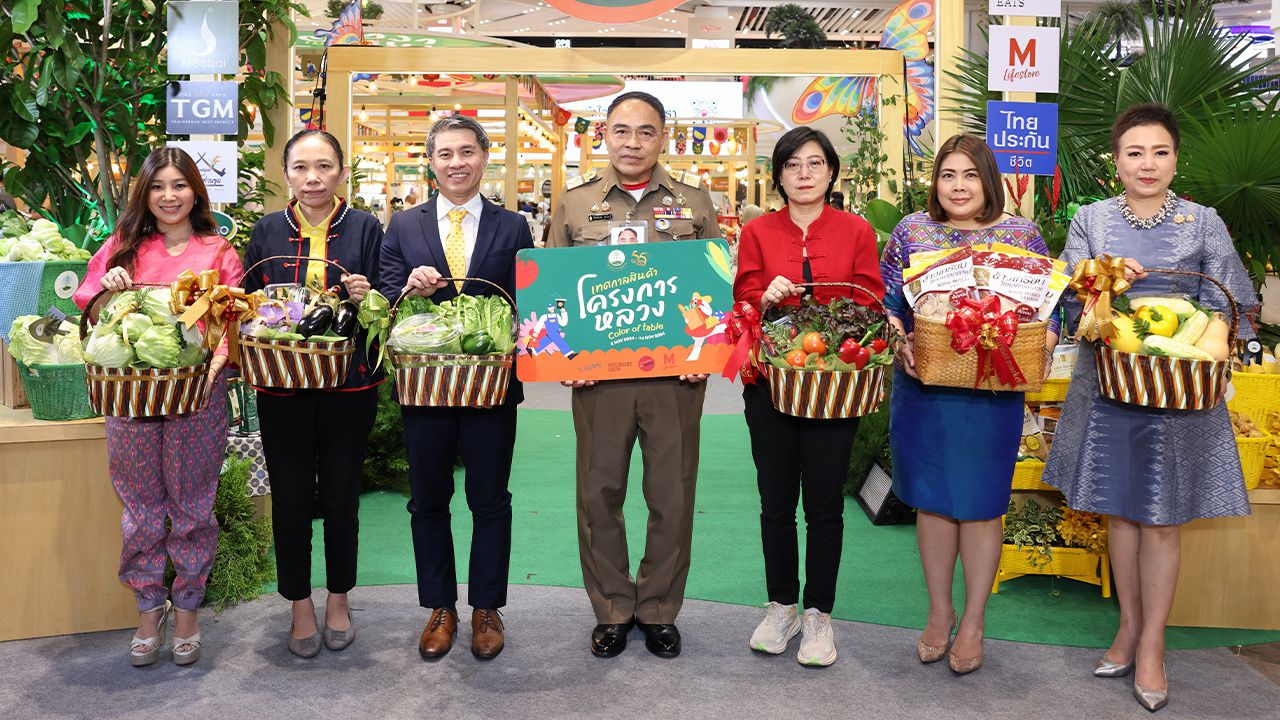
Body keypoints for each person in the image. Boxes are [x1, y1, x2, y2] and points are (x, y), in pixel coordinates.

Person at [1043, 104, 1259, 712]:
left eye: (1159, 152)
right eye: (1135, 152)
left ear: (1174, 159)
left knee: (1162, 516)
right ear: (1117, 162)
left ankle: (1153, 645)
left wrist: (1215, 340)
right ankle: (1128, 627)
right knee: (1118, 509)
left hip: (1179, 388)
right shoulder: (1090, 219)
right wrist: (1104, 277)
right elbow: (1065, 293)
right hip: (1109, 379)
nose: (1147, 163)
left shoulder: (1202, 222)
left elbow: (1231, 300)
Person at [879, 134, 1058, 675]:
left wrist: (1044, 344)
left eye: (970, 175)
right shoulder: (913, 231)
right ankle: (939, 613)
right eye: (948, 175)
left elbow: (1052, 306)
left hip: (994, 387)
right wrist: (900, 341)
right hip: (927, 387)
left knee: (982, 505)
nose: (958, 186)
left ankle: (975, 620)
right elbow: (889, 303)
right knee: (932, 502)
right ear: (936, 182)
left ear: (989, 180)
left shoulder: (1021, 233)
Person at [548, 91, 717, 659]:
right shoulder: (572, 207)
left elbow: (711, 289)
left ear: (663, 137)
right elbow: (554, 295)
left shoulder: (694, 203)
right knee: (599, 493)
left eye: (645, 132)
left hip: (674, 380)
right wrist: (565, 358)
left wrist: (705, 354)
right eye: (621, 131)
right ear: (604, 134)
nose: (633, 143)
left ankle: (659, 609)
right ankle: (614, 608)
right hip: (600, 379)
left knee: (672, 493)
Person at [73, 147, 243, 667]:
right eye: (157, 187)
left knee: (193, 503)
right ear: (144, 194)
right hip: (131, 401)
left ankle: (188, 606)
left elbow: (231, 320)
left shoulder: (219, 252)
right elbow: (90, 306)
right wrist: (108, 289)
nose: (169, 196)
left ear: (196, 190)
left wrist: (216, 366)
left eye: (179, 185)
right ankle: (150, 607)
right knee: (141, 508)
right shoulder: (124, 246)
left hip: (199, 398)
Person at [378, 115, 534, 660]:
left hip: (491, 389)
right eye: (445, 154)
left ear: (485, 156)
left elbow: (526, 303)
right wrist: (410, 290)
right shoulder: (402, 226)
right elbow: (387, 299)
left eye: (466, 151)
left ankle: (487, 607)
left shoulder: (513, 226)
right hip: (426, 389)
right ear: (431, 161)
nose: (456, 163)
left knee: (490, 498)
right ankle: (439, 606)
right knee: (428, 501)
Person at [733, 127, 885, 667]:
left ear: (830, 172)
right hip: (770, 381)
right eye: (792, 164)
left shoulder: (857, 230)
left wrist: (841, 304)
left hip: (833, 384)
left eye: (814, 163)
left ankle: (820, 613)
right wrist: (761, 295)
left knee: (823, 505)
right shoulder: (757, 232)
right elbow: (741, 298)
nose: (803, 173)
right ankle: (781, 606)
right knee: (775, 502)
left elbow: (871, 298)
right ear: (778, 174)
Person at [241, 129, 385, 658]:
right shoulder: (267, 231)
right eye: (301, 168)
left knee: (343, 492)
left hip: (350, 383)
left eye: (324, 167)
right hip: (282, 385)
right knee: (292, 494)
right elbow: (247, 304)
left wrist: (370, 296)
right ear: (287, 176)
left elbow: (387, 300)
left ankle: (339, 598)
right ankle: (299, 603)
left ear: (342, 173)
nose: (313, 178)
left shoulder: (367, 228)